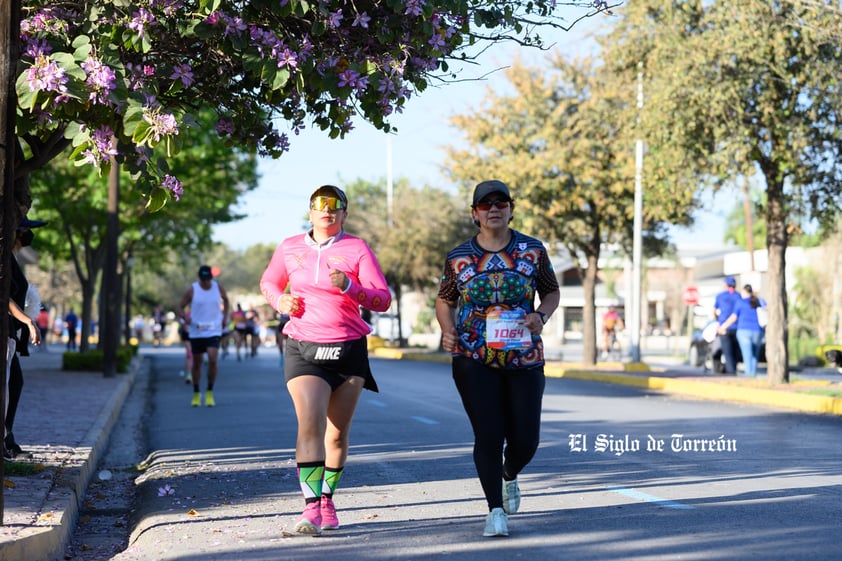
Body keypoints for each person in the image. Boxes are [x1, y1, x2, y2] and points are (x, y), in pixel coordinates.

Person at [259, 185, 392, 535]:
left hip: (348, 350)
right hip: (304, 348)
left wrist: (351, 287)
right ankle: (310, 509)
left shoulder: (357, 248)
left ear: (344, 214)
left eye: (334, 206)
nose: (326, 211)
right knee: (310, 424)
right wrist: (280, 301)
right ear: (310, 211)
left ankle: (328, 500)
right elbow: (270, 282)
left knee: (336, 435)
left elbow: (383, 299)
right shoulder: (289, 247)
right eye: (320, 205)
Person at [435, 179, 560, 538]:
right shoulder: (459, 257)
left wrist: (541, 316)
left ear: (510, 209)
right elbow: (445, 298)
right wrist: (447, 329)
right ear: (475, 213)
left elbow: (551, 293)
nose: (494, 209)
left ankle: (509, 474)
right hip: (472, 354)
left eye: (500, 203)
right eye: (486, 204)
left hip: (523, 356)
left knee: (525, 440)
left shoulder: (532, 250)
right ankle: (494, 511)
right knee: (488, 434)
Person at [5, 216, 47, 459]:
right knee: (12, 383)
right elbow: (7, 297)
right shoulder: (6, 257)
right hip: (8, 330)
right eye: (24, 229)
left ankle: (8, 439)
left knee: (14, 383)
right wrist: (27, 321)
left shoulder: (11, 256)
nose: (28, 234)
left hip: (12, 332)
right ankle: (7, 442)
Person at [177, 265, 230, 407]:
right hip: (196, 330)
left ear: (211, 278)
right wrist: (184, 317)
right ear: (199, 278)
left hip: (214, 329)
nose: (206, 282)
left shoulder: (218, 288)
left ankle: (209, 391)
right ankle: (196, 392)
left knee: (213, 359)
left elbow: (226, 300)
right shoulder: (192, 289)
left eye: (208, 279)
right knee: (197, 362)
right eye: (204, 279)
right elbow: (180, 307)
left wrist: (225, 317)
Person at [717, 284, 766, 377]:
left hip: (744, 331)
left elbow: (733, 317)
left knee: (747, 354)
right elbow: (767, 308)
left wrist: (723, 327)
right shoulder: (759, 300)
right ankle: (753, 374)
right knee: (754, 355)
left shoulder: (741, 302)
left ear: (744, 292)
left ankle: (749, 375)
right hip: (758, 331)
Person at [713, 276, 741, 374]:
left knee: (728, 353)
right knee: (735, 352)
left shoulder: (720, 296)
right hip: (737, 327)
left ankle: (731, 373)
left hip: (724, 328)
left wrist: (718, 322)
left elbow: (714, 311)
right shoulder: (739, 296)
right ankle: (734, 370)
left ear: (725, 285)